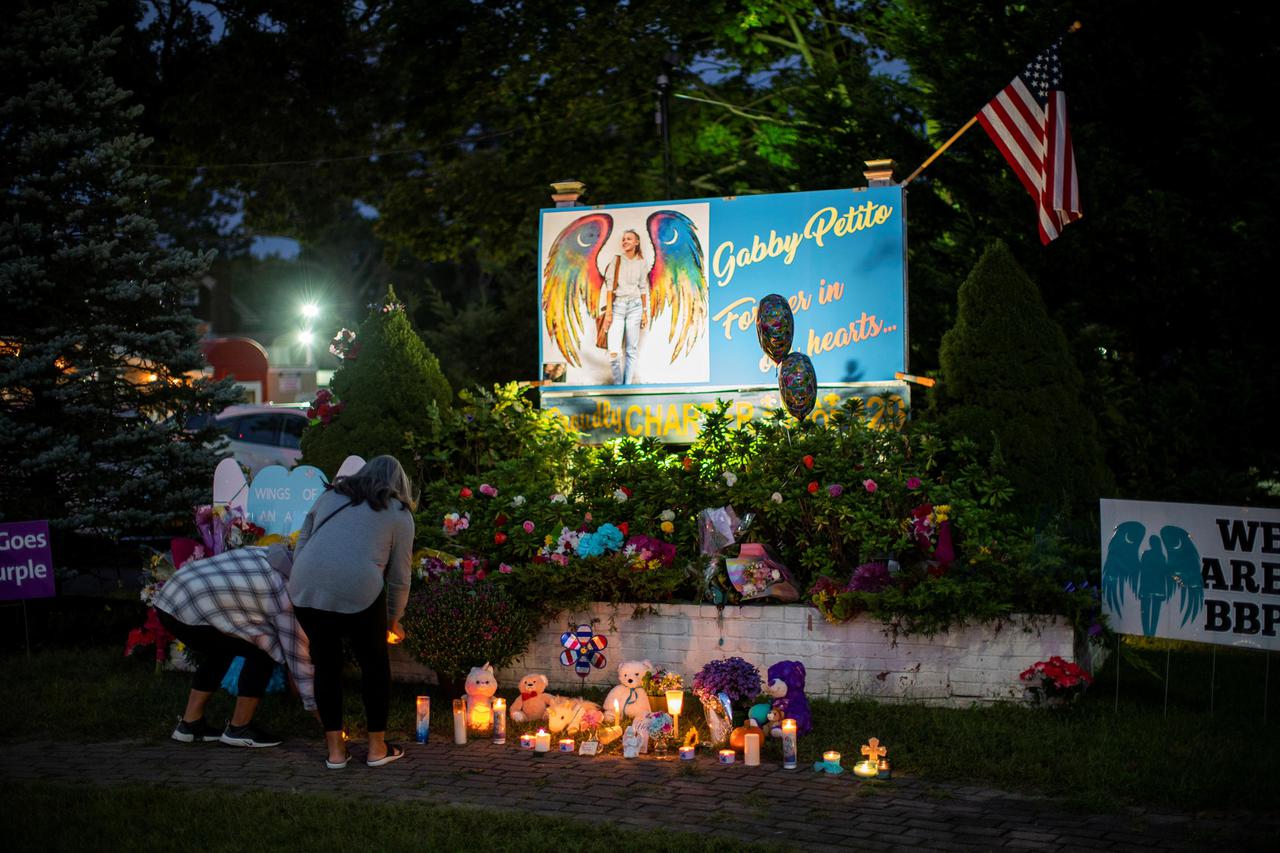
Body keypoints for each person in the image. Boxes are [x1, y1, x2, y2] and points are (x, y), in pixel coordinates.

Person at [288, 455, 416, 769]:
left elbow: (304, 538)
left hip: (305, 587)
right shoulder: (399, 512)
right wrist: (393, 618)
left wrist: (307, 572)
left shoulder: (331, 496)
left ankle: (335, 752)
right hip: (358, 588)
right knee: (374, 666)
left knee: (326, 665)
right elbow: (400, 575)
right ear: (399, 484)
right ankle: (376, 749)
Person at [154, 544, 316, 748]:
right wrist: (327, 721)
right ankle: (239, 728)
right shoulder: (287, 594)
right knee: (264, 651)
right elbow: (299, 664)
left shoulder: (266, 552)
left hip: (168, 599)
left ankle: (190, 723)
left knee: (221, 649)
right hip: (189, 609)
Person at [601, 229, 650, 385]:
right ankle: (617, 385)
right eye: (623, 239)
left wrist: (644, 312)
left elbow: (643, 288)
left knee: (631, 350)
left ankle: (627, 386)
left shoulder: (642, 263)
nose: (625, 241)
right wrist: (608, 311)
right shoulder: (617, 260)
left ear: (636, 242)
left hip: (636, 307)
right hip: (618, 307)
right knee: (614, 350)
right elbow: (609, 287)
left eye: (629, 239)